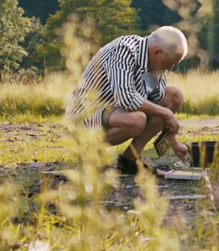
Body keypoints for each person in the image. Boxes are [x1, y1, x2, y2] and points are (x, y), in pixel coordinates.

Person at [66, 26, 190, 174]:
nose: (170, 68)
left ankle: (130, 159)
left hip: (118, 111)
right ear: (157, 52)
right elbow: (127, 99)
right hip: (88, 112)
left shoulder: (156, 66)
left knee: (174, 95)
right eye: (170, 62)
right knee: (136, 120)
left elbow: (157, 104)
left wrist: (173, 141)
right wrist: (167, 114)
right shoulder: (123, 50)